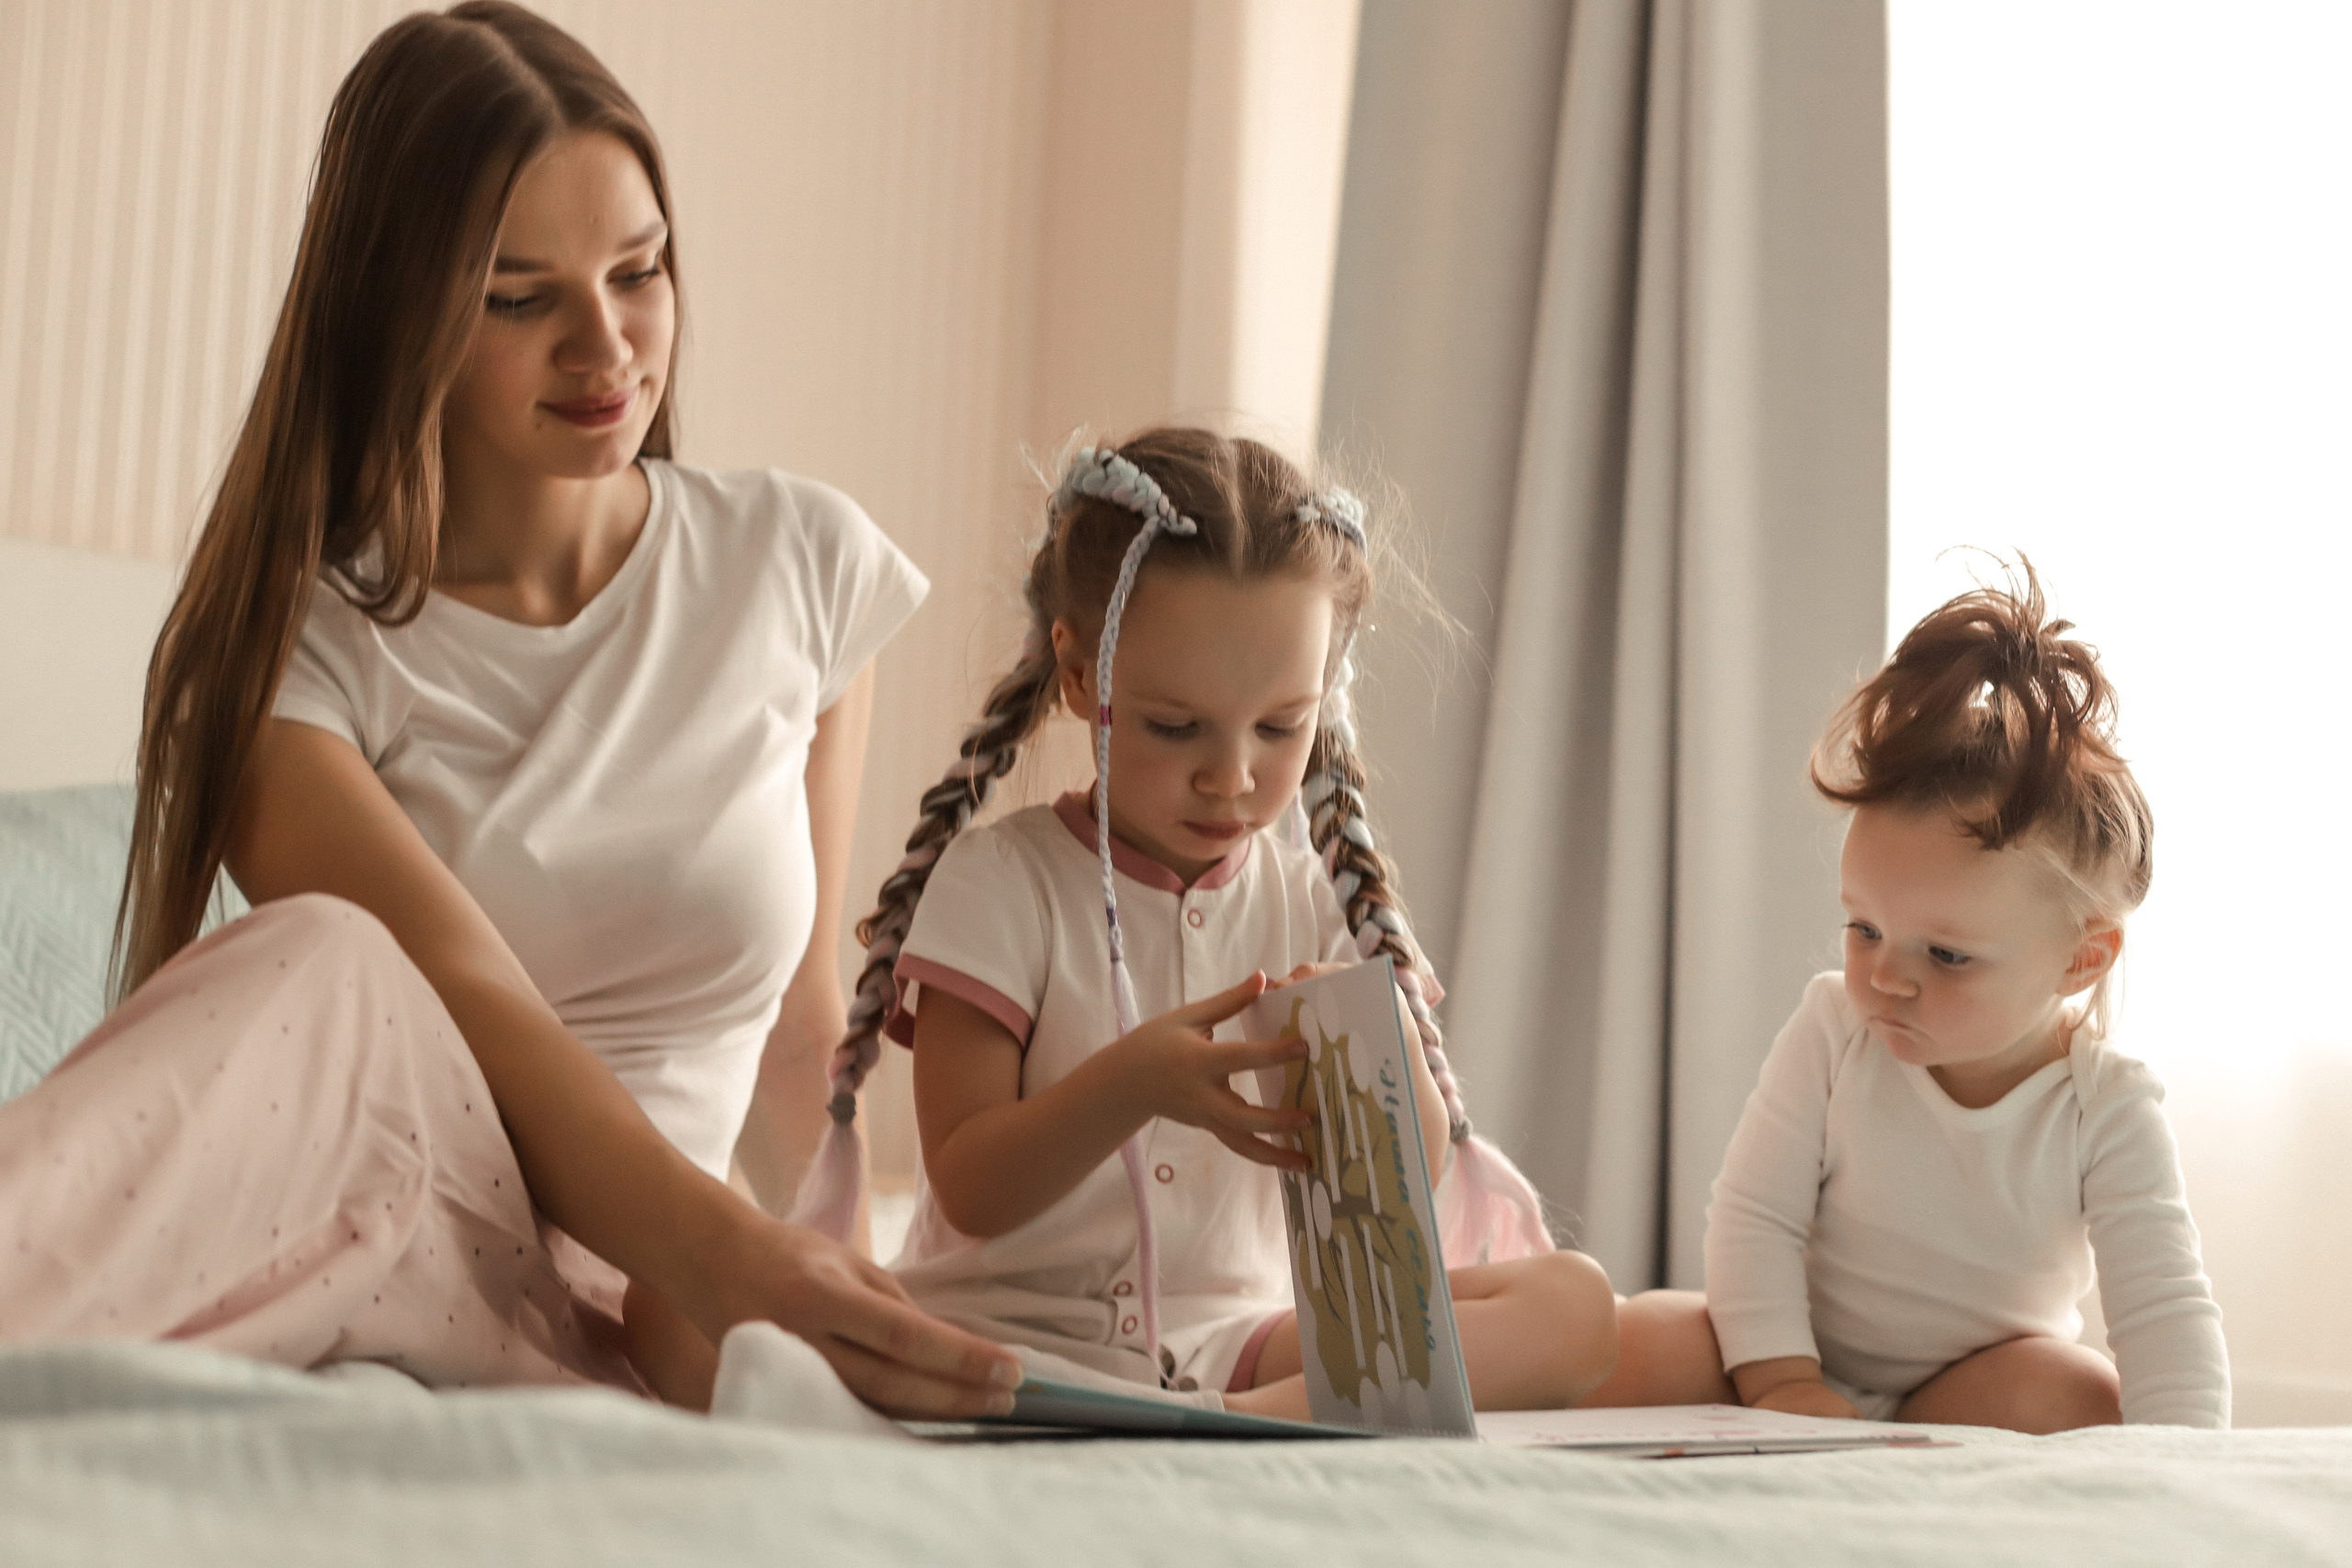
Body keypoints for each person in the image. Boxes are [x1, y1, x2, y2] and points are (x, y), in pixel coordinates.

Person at [0, 1, 1020, 1417]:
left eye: (640, 270)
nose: (605, 345)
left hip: (675, 1307)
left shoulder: (798, 564)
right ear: (403, 313)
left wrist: (873, 1279)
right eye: (519, 297)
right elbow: (476, 1004)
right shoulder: (296, 656)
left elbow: (799, 1034)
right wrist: (732, 1254)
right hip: (428, 1232)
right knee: (332, 963)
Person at [779, 429, 1618, 1417]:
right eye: (1174, 728)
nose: (1232, 777)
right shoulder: (1002, 886)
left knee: (1580, 1307)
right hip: (1005, 1331)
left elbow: (1417, 1170)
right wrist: (1133, 1082)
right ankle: (1301, 1415)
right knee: (725, 1315)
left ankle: (1244, 1428)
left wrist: (1361, 1055)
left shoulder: (1315, 897)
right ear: (1082, 676)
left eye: (1279, 728)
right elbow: (970, 1186)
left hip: (1238, 1344)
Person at [1587, 565, 2228, 1431]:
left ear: (2081, 958)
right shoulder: (1832, 1029)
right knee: (1626, 1334)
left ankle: (1906, 1447)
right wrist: (1783, 1383)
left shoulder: (2102, 1108)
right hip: (1790, 1352)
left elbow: (2164, 1314)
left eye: (1949, 954)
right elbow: (1753, 1216)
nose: (1886, 976)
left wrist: (2187, 1470)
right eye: (1864, 930)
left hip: (1969, 1386)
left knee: (2083, 1393)